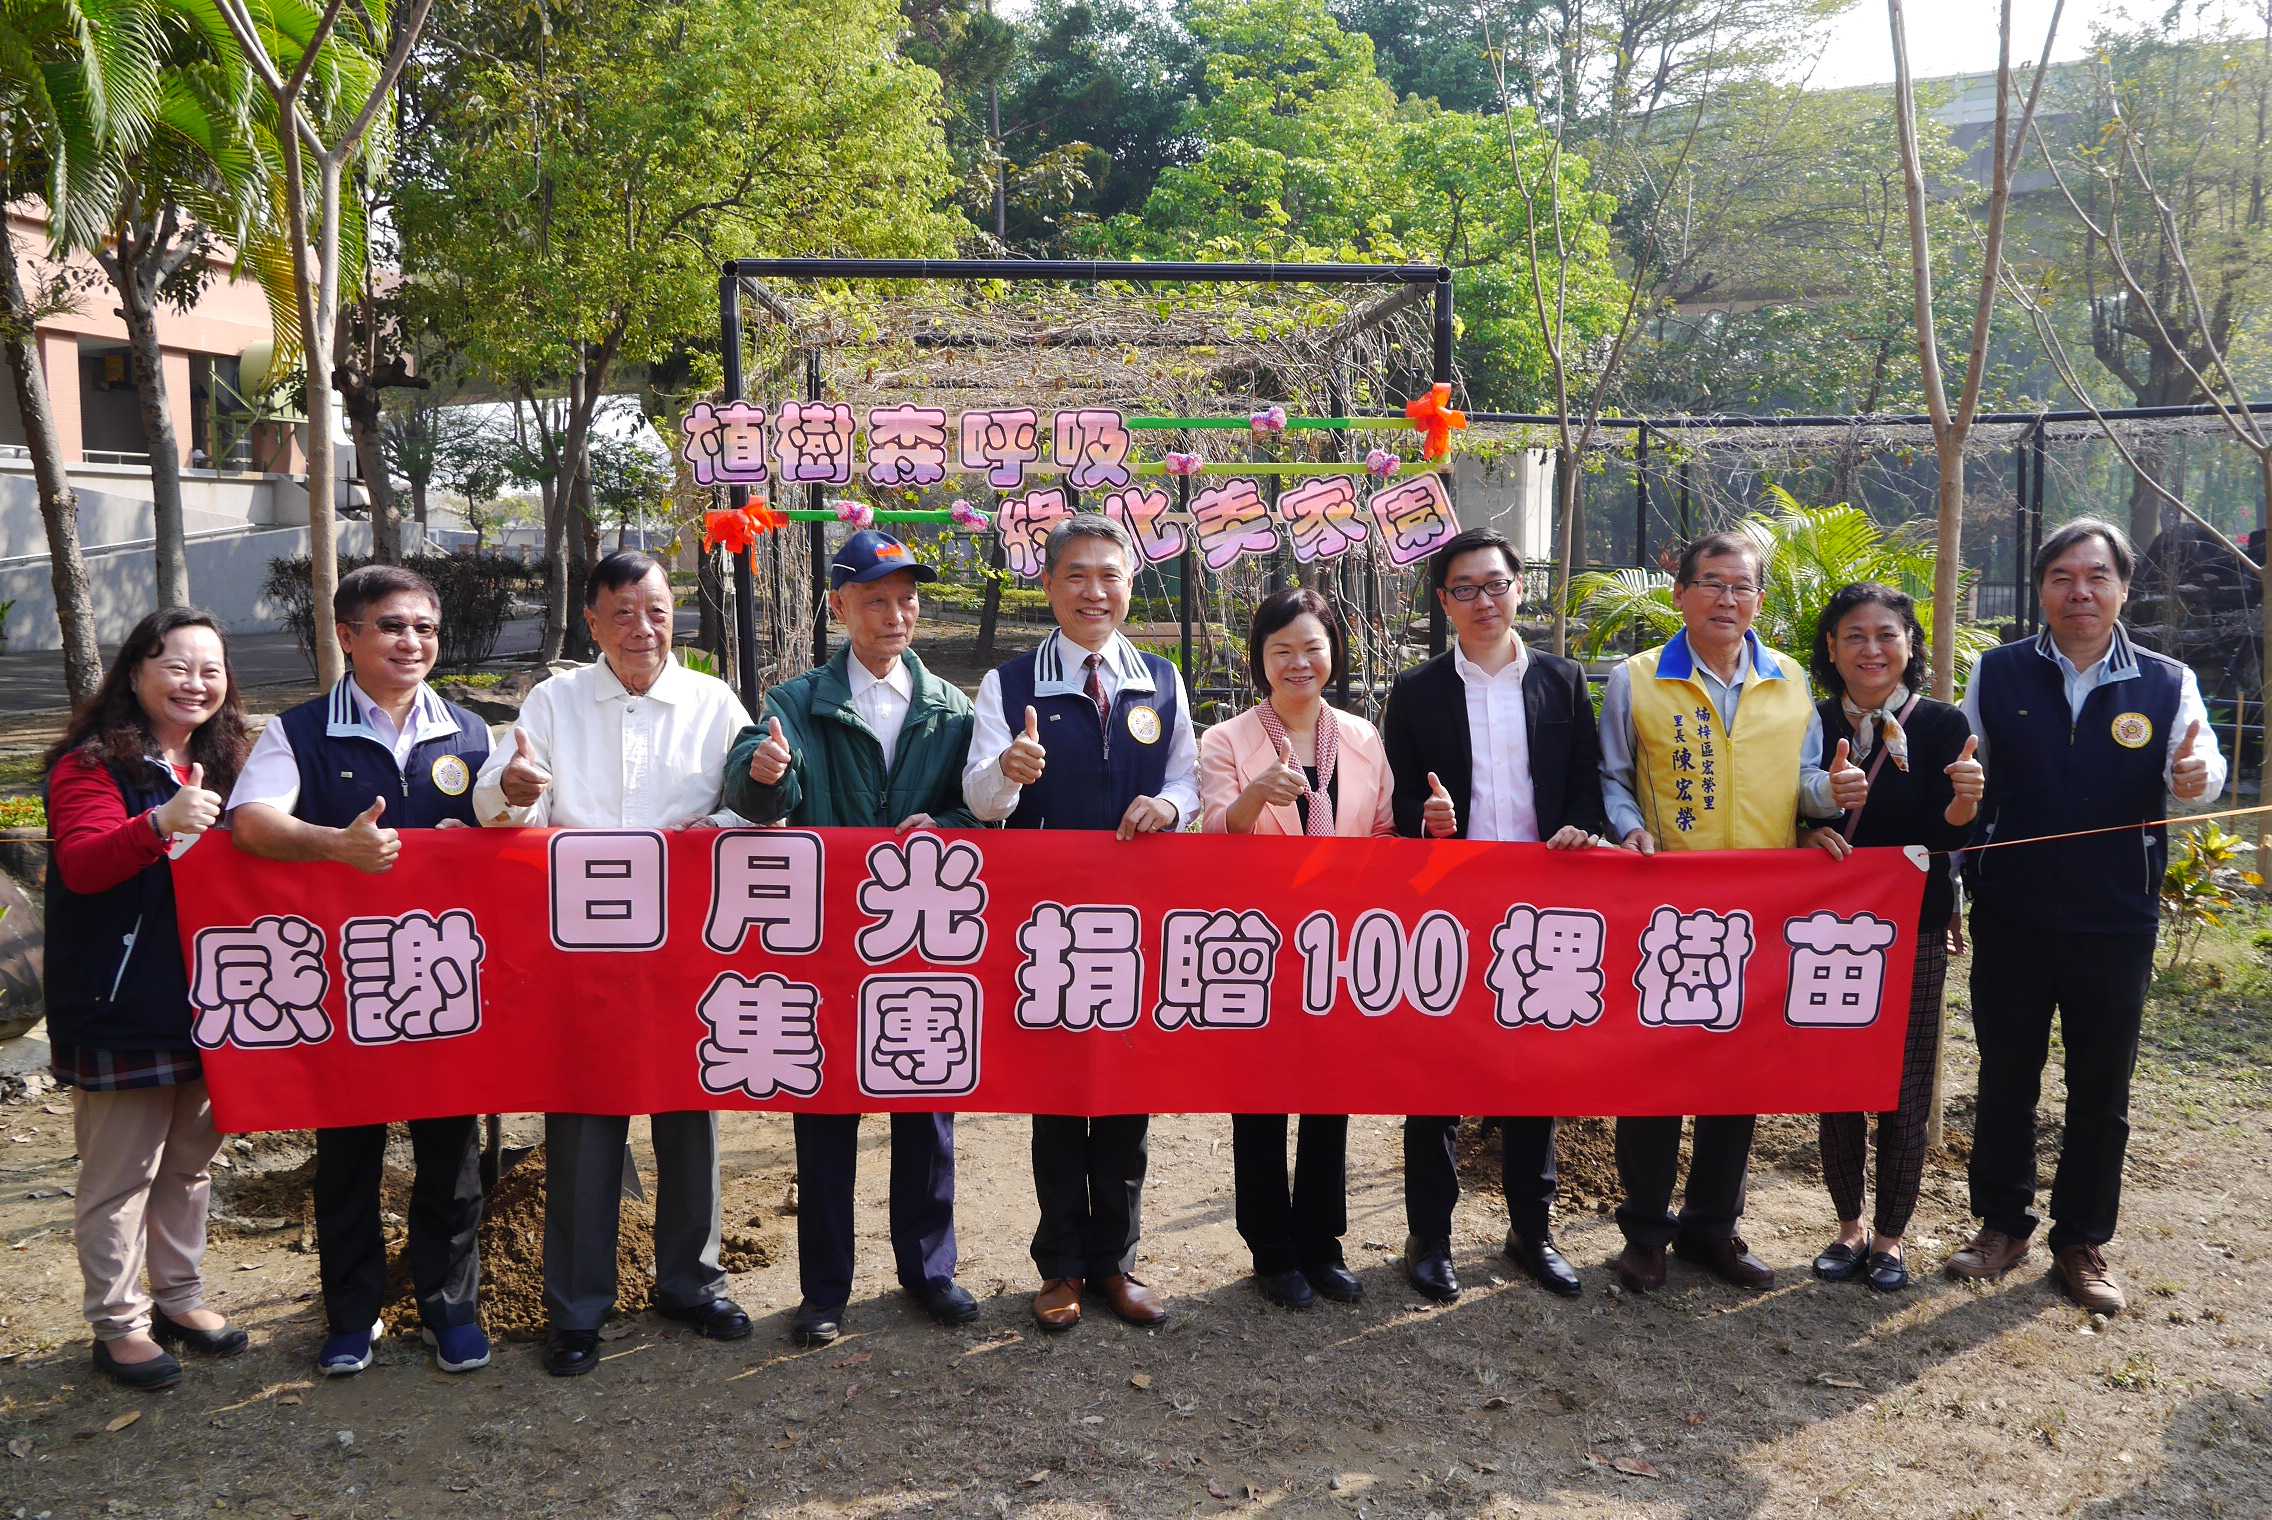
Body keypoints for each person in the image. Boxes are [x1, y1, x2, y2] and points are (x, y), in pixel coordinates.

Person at [472, 549, 757, 1376]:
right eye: (623, 613)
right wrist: (512, 791)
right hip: (582, 949)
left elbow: (751, 804)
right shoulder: (553, 702)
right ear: (592, 621)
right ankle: (577, 1309)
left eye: (657, 611)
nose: (643, 629)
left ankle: (692, 1283)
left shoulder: (712, 701)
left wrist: (718, 828)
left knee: (690, 1115)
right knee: (584, 1125)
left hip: (684, 945)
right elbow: (500, 801)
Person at [1949, 518, 2222, 1314]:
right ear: (2042, 588)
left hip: (2116, 917)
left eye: (2097, 576)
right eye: (2063, 576)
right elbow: (1967, 774)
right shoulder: (1997, 672)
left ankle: (2081, 1241)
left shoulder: (2167, 681)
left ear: (2124, 589)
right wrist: (1960, 812)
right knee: (2006, 1074)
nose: (2080, 591)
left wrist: (2197, 776)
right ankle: (2002, 1225)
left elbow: (2200, 771)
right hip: (2013, 910)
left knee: (2102, 1085)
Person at [229, 565, 494, 1377]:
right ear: (347, 636)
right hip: (345, 986)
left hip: (446, 982)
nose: (411, 642)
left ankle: (450, 1309)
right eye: (391, 626)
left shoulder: (474, 734)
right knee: (349, 1155)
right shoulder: (300, 732)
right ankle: (351, 1317)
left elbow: (512, 826)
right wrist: (332, 844)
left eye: (424, 628)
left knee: (451, 1154)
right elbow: (251, 821)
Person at [722, 530, 984, 1346]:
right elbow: (756, 787)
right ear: (839, 607)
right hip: (828, 941)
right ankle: (825, 1290)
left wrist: (943, 825)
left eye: (907, 599)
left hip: (920, 935)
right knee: (827, 1111)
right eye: (875, 600)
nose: (895, 614)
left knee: (926, 1107)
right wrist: (765, 776)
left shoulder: (950, 708)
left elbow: (979, 810)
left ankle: (929, 1271)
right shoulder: (797, 703)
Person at [1598, 530, 1858, 1293]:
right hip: (1664, 909)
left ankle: (1713, 1228)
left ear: (1760, 601)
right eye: (1711, 582)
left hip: (1759, 912)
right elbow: (1612, 775)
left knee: (1736, 1074)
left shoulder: (1790, 682)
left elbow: (1804, 783)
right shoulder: (1637, 679)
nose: (1726, 598)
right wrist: (1628, 826)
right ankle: (1645, 1233)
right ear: (1679, 593)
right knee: (1654, 1074)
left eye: (1741, 586)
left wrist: (1831, 797)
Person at [963, 512, 1199, 1333]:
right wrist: (1009, 770)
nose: (1093, 592)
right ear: (1049, 585)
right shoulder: (1009, 685)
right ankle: (1061, 1265)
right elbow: (980, 802)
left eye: (1109, 576)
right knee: (1060, 1097)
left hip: (1136, 926)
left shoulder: (1160, 681)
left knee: (1128, 1094)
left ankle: (1116, 1264)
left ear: (1129, 585)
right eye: (1076, 575)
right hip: (1048, 931)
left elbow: (1189, 782)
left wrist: (1169, 806)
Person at [1377, 530, 1610, 1304]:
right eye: (1465, 589)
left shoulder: (1561, 680)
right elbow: (1398, 802)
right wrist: (1428, 823)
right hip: (1450, 906)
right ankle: (1430, 1238)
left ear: (1518, 589)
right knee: (1436, 1077)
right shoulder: (1416, 691)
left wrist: (1579, 826)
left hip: (1541, 907)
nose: (1484, 601)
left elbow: (1584, 782)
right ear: (1444, 602)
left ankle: (1532, 1233)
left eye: (1496, 584)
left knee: (1532, 1075)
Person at [42, 609, 253, 1389]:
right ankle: (119, 1323)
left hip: (215, 998)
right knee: (120, 1176)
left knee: (190, 1165)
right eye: (177, 666)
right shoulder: (92, 767)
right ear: (134, 674)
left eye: (210, 670)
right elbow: (84, 863)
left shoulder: (231, 762)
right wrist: (158, 822)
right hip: (120, 1001)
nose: (196, 683)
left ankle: (179, 1297)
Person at [1198, 588, 1391, 1310]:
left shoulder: (1362, 737)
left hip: (1338, 945)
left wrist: (1428, 829)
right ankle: (1271, 1250)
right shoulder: (1228, 740)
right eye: (1281, 650)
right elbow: (1209, 838)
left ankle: (1322, 1243)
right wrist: (1253, 798)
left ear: (1333, 652)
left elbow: (1383, 835)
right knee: (1261, 1098)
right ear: (1261, 660)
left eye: (1312, 647)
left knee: (1328, 1095)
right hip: (1259, 945)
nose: (1298, 662)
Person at [1801, 582, 1983, 1293]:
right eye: (1855, 635)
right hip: (1826, 932)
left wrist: (1964, 800)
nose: (1871, 649)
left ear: (1910, 645)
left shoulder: (1941, 724)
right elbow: (1785, 812)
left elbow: (1948, 835)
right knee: (1837, 1077)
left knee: (1906, 1083)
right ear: (1831, 647)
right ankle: (1848, 1227)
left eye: (1887, 635)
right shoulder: (1810, 721)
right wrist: (1808, 829)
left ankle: (1891, 1237)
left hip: (1915, 926)